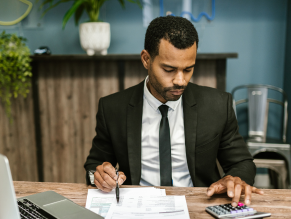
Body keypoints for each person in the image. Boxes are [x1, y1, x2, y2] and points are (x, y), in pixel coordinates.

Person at [84, 16, 263, 207]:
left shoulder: (218, 105)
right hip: (136, 207)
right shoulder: (113, 108)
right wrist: (99, 176)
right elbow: (94, 166)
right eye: (169, 69)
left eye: (188, 69)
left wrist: (234, 178)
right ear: (146, 59)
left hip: (200, 206)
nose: (180, 80)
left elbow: (242, 163)